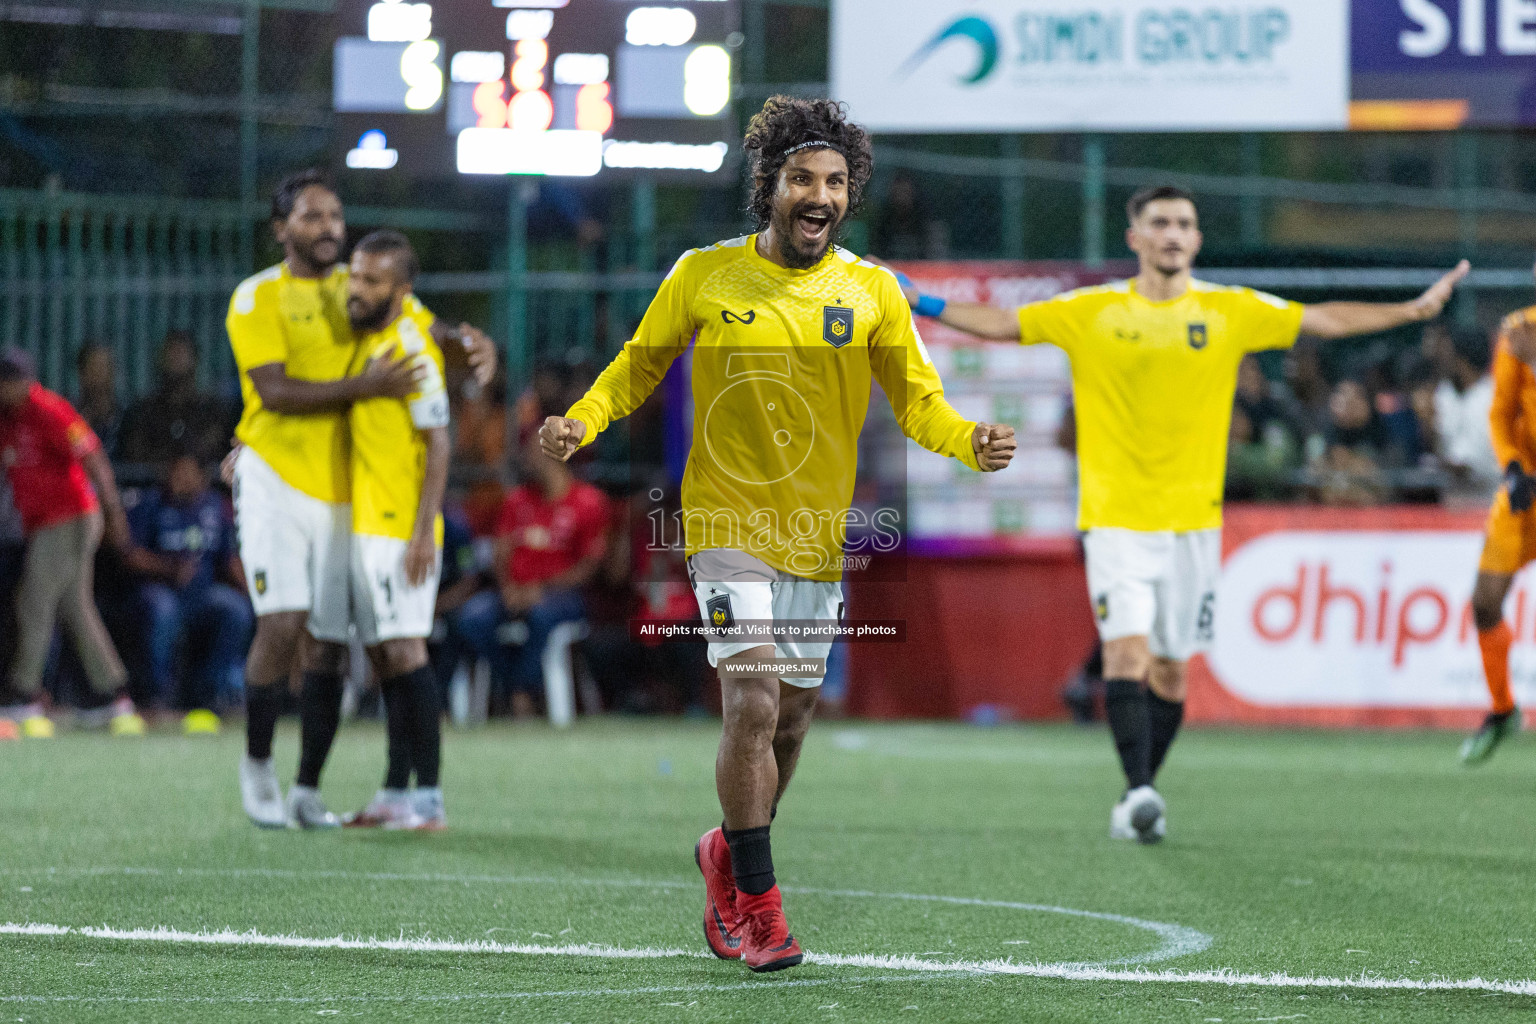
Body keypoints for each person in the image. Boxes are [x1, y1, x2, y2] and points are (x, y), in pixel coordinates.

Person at [540, 96, 1017, 972]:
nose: (820, 194)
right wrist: (580, 421)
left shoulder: (870, 290)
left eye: (836, 181)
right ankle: (762, 912)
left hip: (814, 532)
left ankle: (727, 851)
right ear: (771, 185)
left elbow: (920, 400)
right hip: (723, 521)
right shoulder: (705, 274)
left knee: (789, 726)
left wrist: (970, 442)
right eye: (803, 177)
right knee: (752, 698)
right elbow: (638, 366)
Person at [900, 183, 1467, 844]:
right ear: (1134, 237)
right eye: (1160, 222)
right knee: (1126, 654)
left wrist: (1411, 309)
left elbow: (1324, 320)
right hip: (1113, 517)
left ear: (1196, 239)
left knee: (1171, 669)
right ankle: (1141, 790)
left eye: (1184, 224)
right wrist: (921, 298)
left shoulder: (1230, 310)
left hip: (1194, 523)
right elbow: (1000, 324)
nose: (1173, 234)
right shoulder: (1091, 311)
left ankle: (1137, 791)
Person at [227, 168, 496, 829]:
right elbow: (274, 390)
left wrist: (475, 347)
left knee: (335, 646)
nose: (328, 229)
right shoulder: (259, 297)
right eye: (312, 217)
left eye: (334, 217)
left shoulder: (367, 293)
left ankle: (313, 792)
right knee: (286, 622)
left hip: (353, 501)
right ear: (280, 229)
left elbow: (436, 343)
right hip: (279, 482)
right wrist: (367, 389)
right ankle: (259, 766)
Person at [333, 231, 452, 831]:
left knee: (406, 652)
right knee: (384, 659)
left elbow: (438, 441)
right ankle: (392, 794)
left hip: (398, 527)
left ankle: (428, 798)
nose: (358, 288)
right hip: (366, 524)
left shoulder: (410, 348)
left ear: (401, 290)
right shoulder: (369, 338)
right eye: (356, 275)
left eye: (373, 280)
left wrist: (424, 531)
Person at [0, 348, 143, 737]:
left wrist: (114, 512)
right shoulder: (8, 419)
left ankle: (24, 696)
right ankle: (113, 696)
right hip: (43, 523)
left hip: (73, 518)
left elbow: (93, 456)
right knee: (74, 606)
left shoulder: (49, 409)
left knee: (34, 599)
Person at [460, 429, 609, 719]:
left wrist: (541, 588)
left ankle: (522, 694)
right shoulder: (517, 500)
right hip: (514, 592)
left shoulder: (587, 501)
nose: (527, 458)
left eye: (535, 451)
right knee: (472, 619)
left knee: (540, 616)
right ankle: (515, 685)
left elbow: (590, 567)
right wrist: (508, 589)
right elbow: (501, 554)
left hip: (564, 597)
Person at [1462, 283, 1536, 765]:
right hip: (1528, 487)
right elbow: (1499, 413)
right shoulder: (1518, 330)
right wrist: (1512, 465)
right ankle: (1503, 708)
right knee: (1485, 602)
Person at [123, 453, 251, 716]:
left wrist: (256, 595)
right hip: (161, 590)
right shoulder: (152, 503)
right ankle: (159, 695)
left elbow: (229, 560)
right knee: (162, 609)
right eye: (175, 473)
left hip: (202, 595)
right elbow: (132, 556)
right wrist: (169, 569)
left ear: (202, 478)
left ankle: (213, 692)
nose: (179, 480)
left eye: (186, 473)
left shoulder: (216, 508)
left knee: (234, 609)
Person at [118, 331, 227, 466]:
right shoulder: (144, 410)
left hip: (205, 484)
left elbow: (216, 448)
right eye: (171, 353)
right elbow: (135, 453)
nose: (176, 359)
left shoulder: (211, 409)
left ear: (195, 359)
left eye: (181, 353)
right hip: (152, 484)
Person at [1426, 324, 1498, 489]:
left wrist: (1444, 466)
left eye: (1447, 354)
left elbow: (1481, 465)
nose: (1441, 360)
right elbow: (1440, 447)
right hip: (1453, 502)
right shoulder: (1444, 394)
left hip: (1487, 501)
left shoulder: (1493, 397)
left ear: (1462, 361)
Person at [74, 342, 123, 457]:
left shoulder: (126, 416)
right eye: (94, 367)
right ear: (82, 373)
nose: (99, 373)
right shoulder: (72, 416)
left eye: (104, 367)